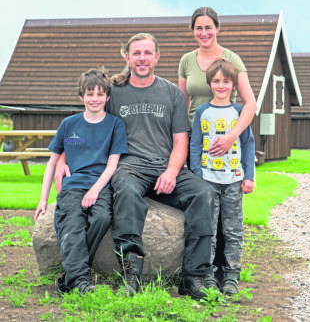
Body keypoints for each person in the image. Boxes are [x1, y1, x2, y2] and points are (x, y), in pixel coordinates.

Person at [55, 33, 216, 300]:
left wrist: (172, 172)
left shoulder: (172, 93)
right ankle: (130, 274)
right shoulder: (114, 92)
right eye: (137, 53)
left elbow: (180, 142)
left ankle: (194, 277)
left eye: (147, 53)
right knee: (127, 194)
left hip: (165, 165)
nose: (142, 58)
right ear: (127, 57)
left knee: (203, 194)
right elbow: (85, 125)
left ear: (157, 57)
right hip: (129, 167)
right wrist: (61, 159)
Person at [178, 6, 257, 282]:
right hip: (197, 137)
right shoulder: (187, 60)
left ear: (217, 28)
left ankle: (229, 273)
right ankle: (204, 270)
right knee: (205, 212)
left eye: (208, 27)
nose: (203, 32)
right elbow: (182, 103)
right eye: (198, 27)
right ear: (193, 31)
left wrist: (231, 136)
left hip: (229, 141)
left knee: (231, 218)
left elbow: (251, 104)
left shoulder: (231, 59)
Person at [34, 68, 128, 295]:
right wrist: (43, 199)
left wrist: (95, 190)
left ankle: (69, 279)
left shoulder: (115, 125)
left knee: (102, 217)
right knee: (73, 224)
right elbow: (51, 163)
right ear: (81, 97)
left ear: (107, 97)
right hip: (73, 185)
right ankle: (82, 282)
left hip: (101, 185)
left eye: (99, 94)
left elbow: (112, 165)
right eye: (89, 94)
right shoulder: (69, 124)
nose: (94, 99)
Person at [190, 59, 255, 295]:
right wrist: (197, 176)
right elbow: (195, 145)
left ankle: (231, 276)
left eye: (226, 81)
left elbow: (248, 144)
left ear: (234, 85)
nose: (221, 85)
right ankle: (208, 275)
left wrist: (249, 176)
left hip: (234, 180)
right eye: (216, 81)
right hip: (208, 179)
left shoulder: (240, 113)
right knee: (209, 229)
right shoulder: (202, 112)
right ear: (209, 84)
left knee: (233, 229)